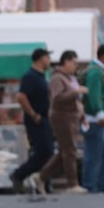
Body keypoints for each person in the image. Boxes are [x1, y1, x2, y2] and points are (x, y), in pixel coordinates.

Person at [38, 51, 88, 194]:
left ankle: (41, 176)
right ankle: (72, 184)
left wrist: (81, 112)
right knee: (69, 150)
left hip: (72, 117)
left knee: (66, 151)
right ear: (65, 62)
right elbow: (58, 98)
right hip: (62, 118)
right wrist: (76, 91)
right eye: (74, 63)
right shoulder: (57, 79)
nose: (76, 66)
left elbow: (75, 99)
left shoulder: (69, 78)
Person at [9, 48, 55, 194]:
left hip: (45, 118)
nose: (49, 61)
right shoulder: (30, 76)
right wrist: (33, 114)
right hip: (36, 120)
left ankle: (44, 182)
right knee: (44, 151)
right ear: (41, 59)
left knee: (48, 152)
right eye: (48, 57)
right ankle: (18, 174)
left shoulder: (42, 76)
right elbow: (21, 97)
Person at [81, 43, 104, 194]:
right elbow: (93, 95)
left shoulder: (103, 72)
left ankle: (103, 183)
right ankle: (90, 185)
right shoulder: (95, 72)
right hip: (96, 120)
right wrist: (100, 113)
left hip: (103, 122)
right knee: (94, 154)